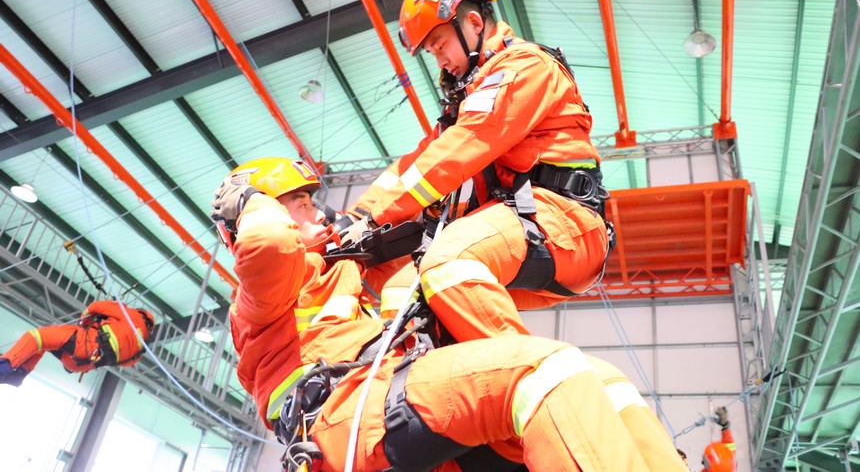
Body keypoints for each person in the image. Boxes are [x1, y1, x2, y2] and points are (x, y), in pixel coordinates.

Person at [210, 158, 687, 472]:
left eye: (312, 201)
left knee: (602, 381)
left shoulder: (341, 268)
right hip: (345, 416)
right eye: (298, 203)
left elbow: (397, 221)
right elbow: (268, 247)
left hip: (389, 401)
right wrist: (250, 201)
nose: (317, 213)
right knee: (542, 371)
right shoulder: (259, 297)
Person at [340, 0, 611, 342]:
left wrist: (375, 220)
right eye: (432, 53)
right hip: (521, 224)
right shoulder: (467, 100)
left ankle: (522, 375)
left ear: (472, 23)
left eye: (441, 46)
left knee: (446, 264)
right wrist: (356, 216)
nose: (440, 62)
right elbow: (414, 165)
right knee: (401, 295)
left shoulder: (523, 67)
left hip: (564, 222)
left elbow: (461, 149)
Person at [0, 300, 154, 386]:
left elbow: (95, 307)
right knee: (44, 345)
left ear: (141, 313)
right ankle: (20, 374)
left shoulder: (132, 315)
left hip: (85, 343)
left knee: (35, 337)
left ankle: (5, 365)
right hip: (79, 365)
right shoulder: (139, 351)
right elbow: (120, 358)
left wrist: (85, 323)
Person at [700, 406, 736, 472]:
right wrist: (725, 426)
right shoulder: (727, 459)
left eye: (705, 462)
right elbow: (728, 443)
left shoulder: (724, 463)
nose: (702, 462)